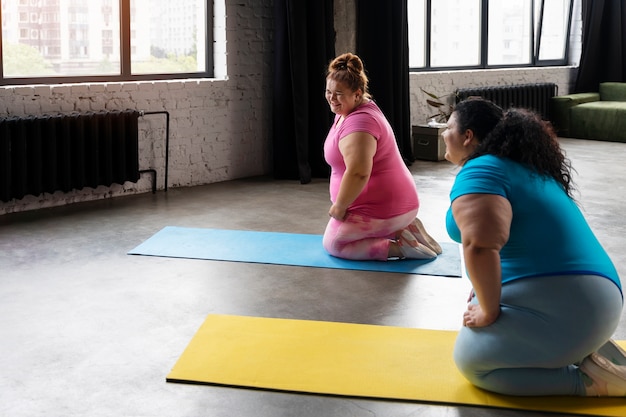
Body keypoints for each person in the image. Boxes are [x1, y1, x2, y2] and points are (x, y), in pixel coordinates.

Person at [443, 97, 626, 396]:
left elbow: (479, 246)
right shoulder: (522, 167)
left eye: (448, 126)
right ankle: (587, 351)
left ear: (468, 136)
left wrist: (489, 311)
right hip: (597, 301)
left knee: (472, 361)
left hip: (574, 306)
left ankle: (590, 383)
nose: (442, 133)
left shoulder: (481, 171)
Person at [322, 52, 441, 261]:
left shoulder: (359, 123)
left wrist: (340, 206)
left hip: (383, 208)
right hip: (392, 204)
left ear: (357, 94)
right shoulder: (352, 110)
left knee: (335, 244)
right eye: (328, 91)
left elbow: (359, 172)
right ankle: (405, 227)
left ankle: (402, 246)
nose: (332, 98)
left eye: (339, 93)